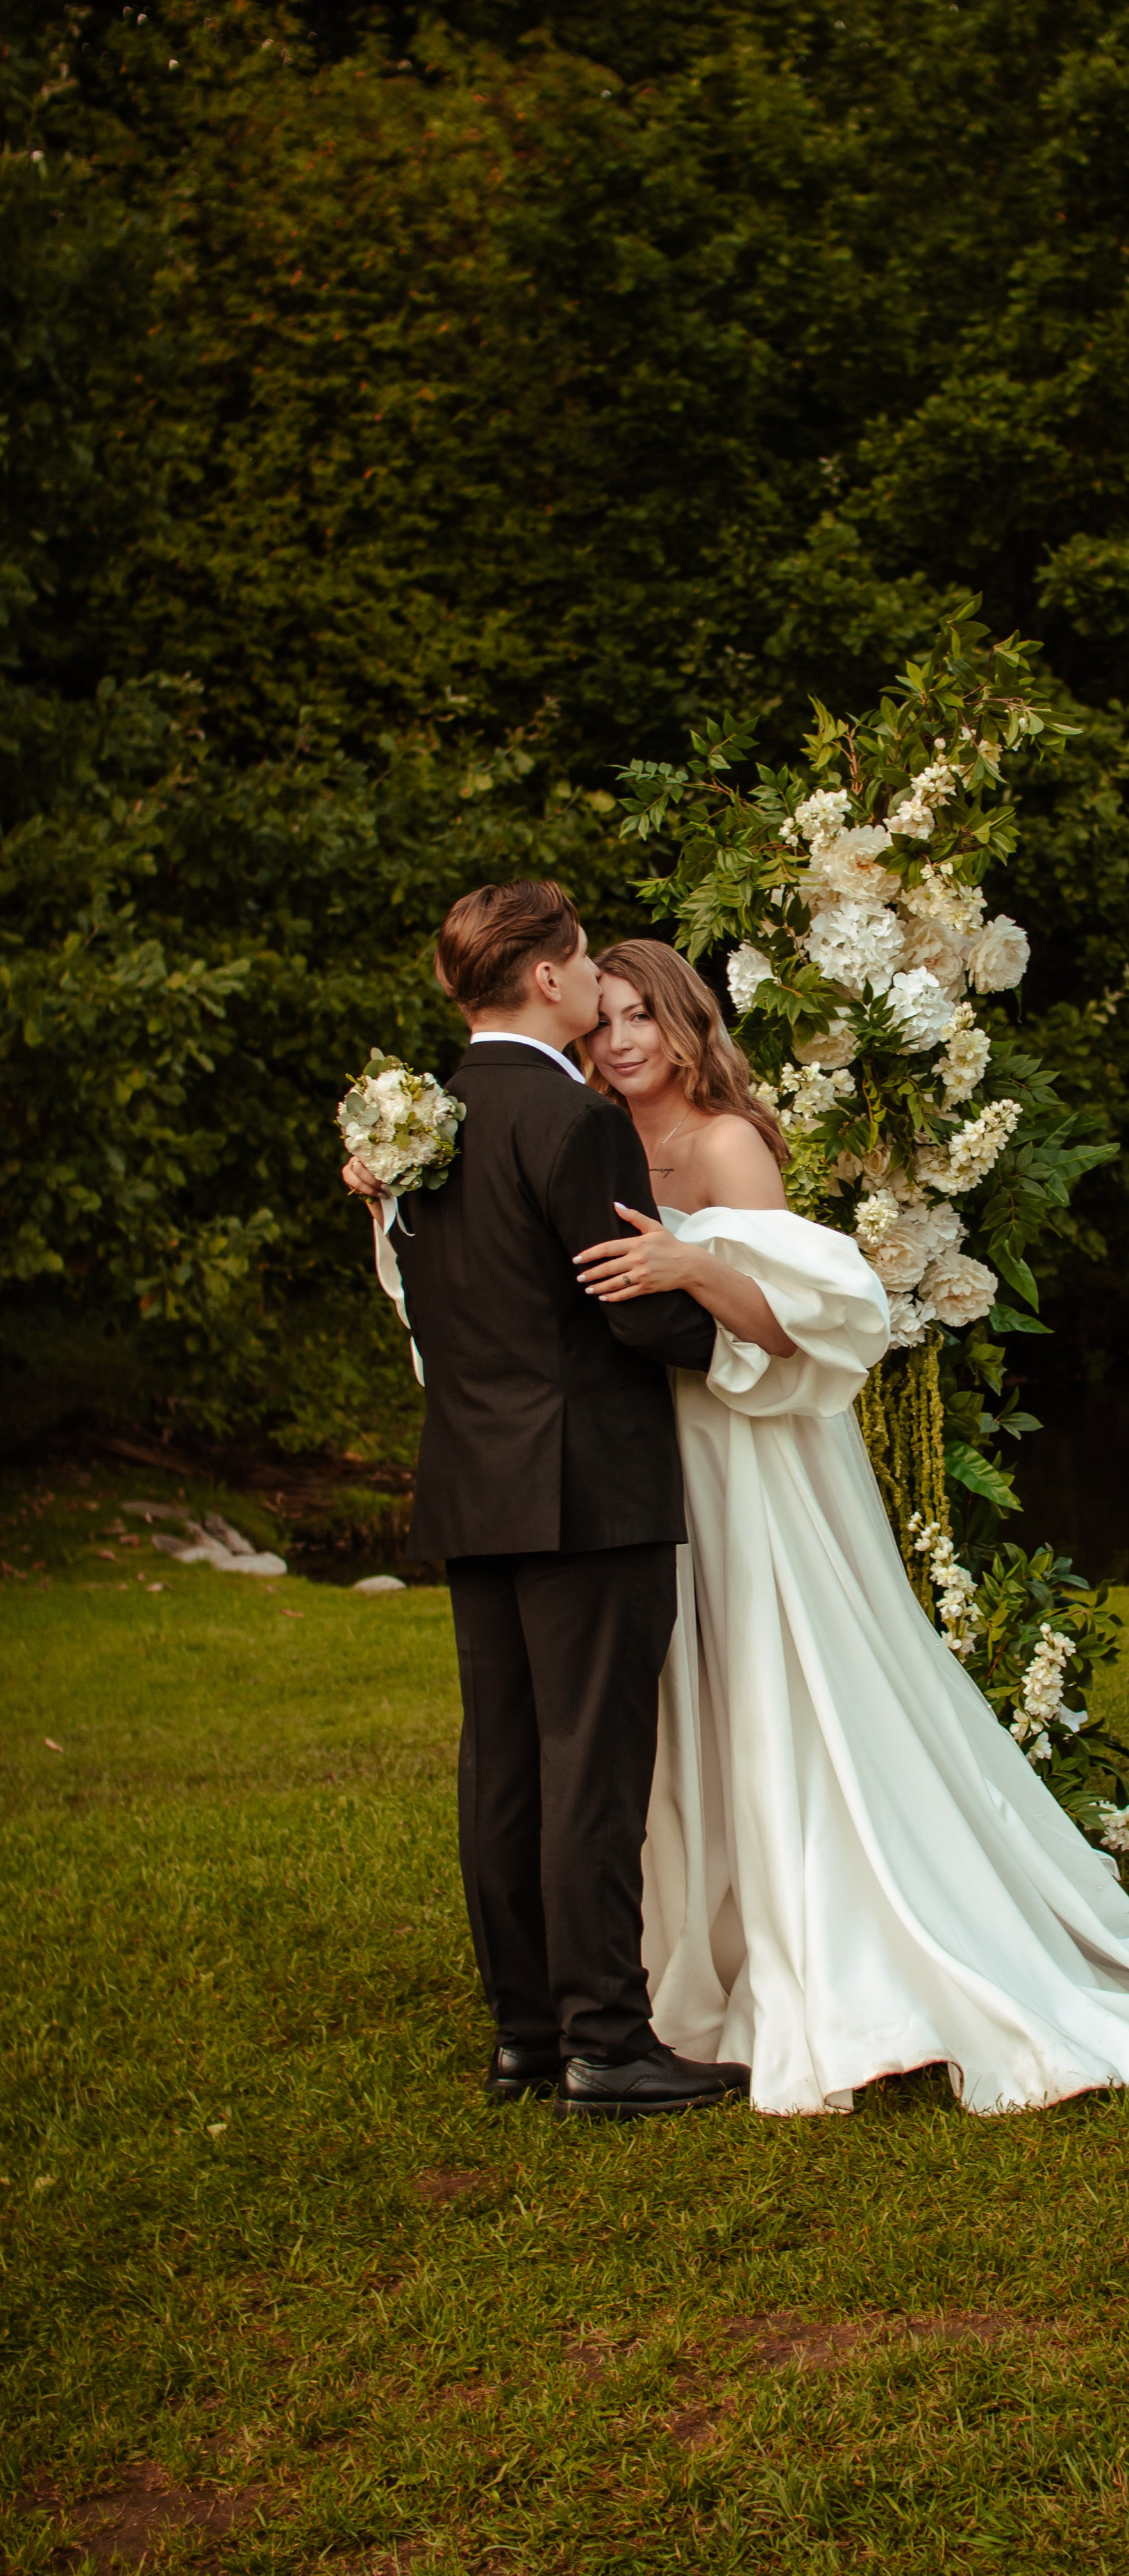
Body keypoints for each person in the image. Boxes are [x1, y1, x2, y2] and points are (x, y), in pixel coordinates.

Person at [569, 939, 1129, 2115]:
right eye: (604, 1021)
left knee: (788, 1670)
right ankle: (701, 1940)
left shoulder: (728, 1142)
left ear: (685, 1024)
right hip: (667, 1442)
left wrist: (688, 1262)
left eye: (640, 1018)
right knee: (695, 1681)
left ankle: (850, 1937)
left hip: (759, 1447)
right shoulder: (602, 1138)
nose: (621, 1041)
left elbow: (796, 1322)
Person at [342, 884, 794, 2123]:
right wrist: (739, 1335)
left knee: (501, 1768)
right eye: (587, 958)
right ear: (547, 979)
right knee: (591, 1771)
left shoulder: (417, 1124)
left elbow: (439, 1300)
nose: (598, 978)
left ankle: (524, 2039)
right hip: (588, 1487)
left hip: (472, 1479)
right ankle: (609, 2042)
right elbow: (636, 1311)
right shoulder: (572, 1119)